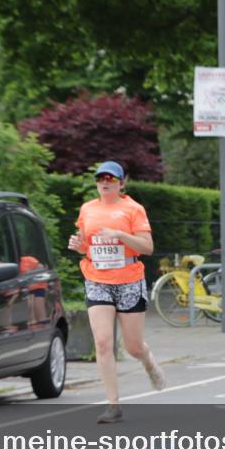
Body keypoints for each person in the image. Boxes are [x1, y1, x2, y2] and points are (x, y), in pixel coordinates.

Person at [68, 161, 166, 424]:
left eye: (111, 179)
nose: (105, 182)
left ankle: (148, 362)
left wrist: (120, 234)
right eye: (101, 178)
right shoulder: (87, 209)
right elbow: (86, 245)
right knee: (102, 342)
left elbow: (147, 247)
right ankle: (113, 405)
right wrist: (78, 245)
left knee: (133, 346)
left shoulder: (133, 209)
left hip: (128, 280)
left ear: (122, 183)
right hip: (97, 278)